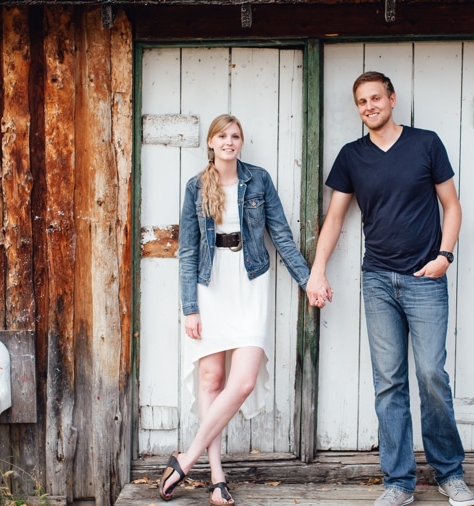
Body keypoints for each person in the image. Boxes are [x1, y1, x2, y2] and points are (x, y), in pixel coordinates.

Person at [304, 71, 474, 506]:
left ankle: (450, 473)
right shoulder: (351, 156)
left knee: (431, 375)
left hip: (424, 278)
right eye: (361, 102)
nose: (369, 107)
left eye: (375, 98)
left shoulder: (426, 144)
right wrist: (317, 271)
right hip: (377, 279)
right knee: (389, 382)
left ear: (392, 99)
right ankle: (399, 482)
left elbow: (451, 206)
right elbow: (336, 219)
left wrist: (445, 256)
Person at [161, 114, 322, 505]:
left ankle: (186, 459)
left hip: (249, 282)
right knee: (211, 380)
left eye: (235, 136)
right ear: (211, 143)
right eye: (222, 136)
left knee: (243, 380)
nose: (229, 142)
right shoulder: (196, 187)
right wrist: (190, 307)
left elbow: (280, 234)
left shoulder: (259, 180)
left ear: (241, 142)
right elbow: (187, 253)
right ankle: (216, 477)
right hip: (210, 284)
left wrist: (308, 280)